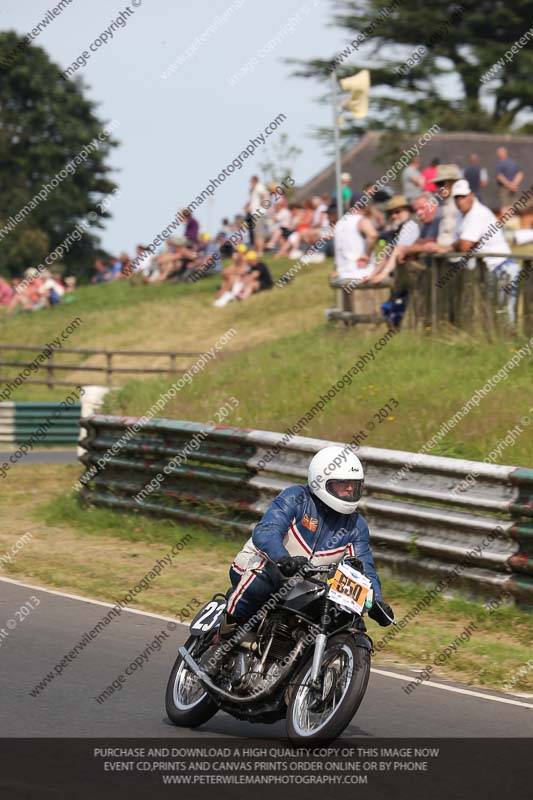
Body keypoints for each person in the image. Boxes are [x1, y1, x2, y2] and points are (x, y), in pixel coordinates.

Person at [205, 446, 393, 672]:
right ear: (321, 481)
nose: (349, 491)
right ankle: (223, 636)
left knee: (343, 614)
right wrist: (284, 559)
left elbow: (364, 567)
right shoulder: (296, 497)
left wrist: (376, 601)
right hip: (263, 563)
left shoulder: (355, 526)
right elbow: (267, 530)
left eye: (354, 486)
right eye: (343, 484)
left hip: (307, 585)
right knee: (262, 576)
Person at [451, 179, 520, 324]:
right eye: (456, 198)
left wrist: (459, 243)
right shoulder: (461, 215)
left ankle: (510, 343)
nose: (460, 201)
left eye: (462, 197)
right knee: (493, 315)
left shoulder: (477, 213)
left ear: (471, 195)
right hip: (489, 270)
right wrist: (461, 243)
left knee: (505, 315)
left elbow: (464, 246)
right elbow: (462, 244)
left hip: (502, 268)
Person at [331, 196, 378, 284]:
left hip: (343, 275)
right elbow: (373, 235)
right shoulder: (361, 220)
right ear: (365, 207)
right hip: (362, 274)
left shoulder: (339, 223)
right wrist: (367, 255)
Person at [495, 147, 524, 216]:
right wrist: (514, 184)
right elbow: (520, 174)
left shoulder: (499, 164)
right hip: (514, 187)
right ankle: (513, 222)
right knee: (513, 205)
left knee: (505, 206)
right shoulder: (513, 162)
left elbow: (499, 176)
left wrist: (509, 185)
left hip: (504, 188)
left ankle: (507, 224)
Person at [248, 176, 269, 255]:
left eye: (251, 181)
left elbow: (265, 195)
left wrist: (263, 203)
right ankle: (257, 251)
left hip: (259, 213)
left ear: (254, 181)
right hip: (255, 213)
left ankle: (260, 251)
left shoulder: (259, 187)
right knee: (256, 233)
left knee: (259, 233)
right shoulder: (255, 188)